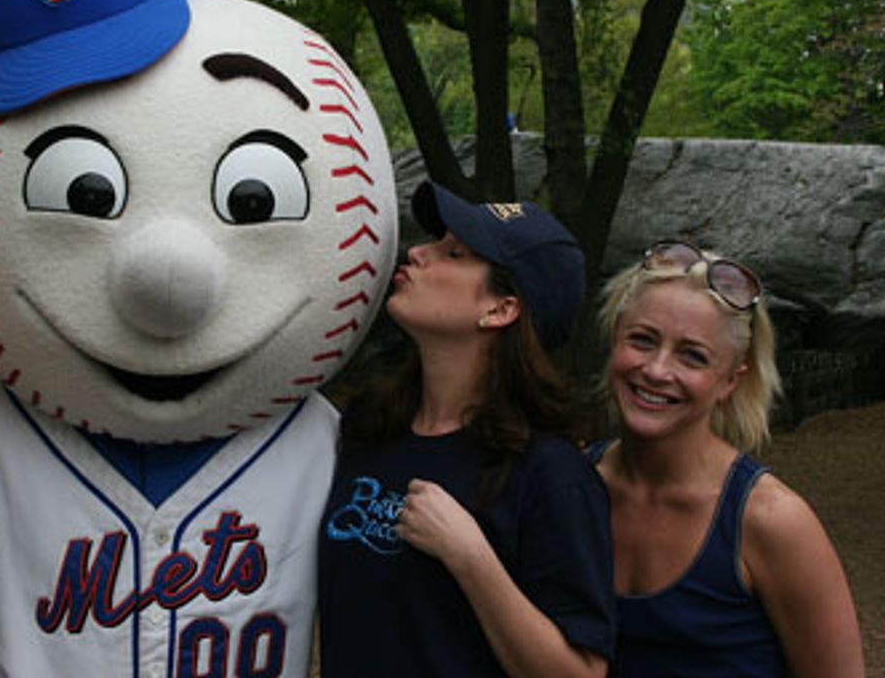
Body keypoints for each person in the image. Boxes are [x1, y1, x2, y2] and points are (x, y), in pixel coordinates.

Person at [318, 180, 616, 677]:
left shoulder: (549, 473)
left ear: (501, 309)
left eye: (453, 253)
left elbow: (581, 672)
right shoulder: (367, 431)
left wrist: (471, 557)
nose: (418, 252)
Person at [589, 240, 864, 677]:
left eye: (692, 356)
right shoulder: (571, 486)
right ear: (613, 342)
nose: (658, 370)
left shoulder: (770, 521)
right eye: (642, 340)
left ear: (730, 382)